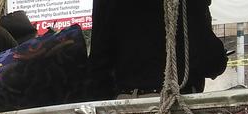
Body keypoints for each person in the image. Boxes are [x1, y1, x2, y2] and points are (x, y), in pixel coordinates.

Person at [88, 0, 227, 98]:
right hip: (177, 106)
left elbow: (98, 61)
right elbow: (209, 61)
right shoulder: (185, 4)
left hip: (126, 106)